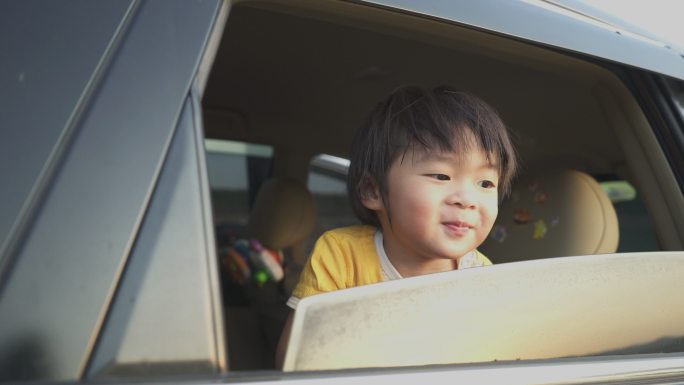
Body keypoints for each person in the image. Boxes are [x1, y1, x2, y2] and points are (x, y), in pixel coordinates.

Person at [275, 85, 517, 368]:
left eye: (486, 183)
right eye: (441, 175)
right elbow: (294, 362)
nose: (467, 200)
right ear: (373, 191)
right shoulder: (341, 255)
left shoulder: (483, 276)